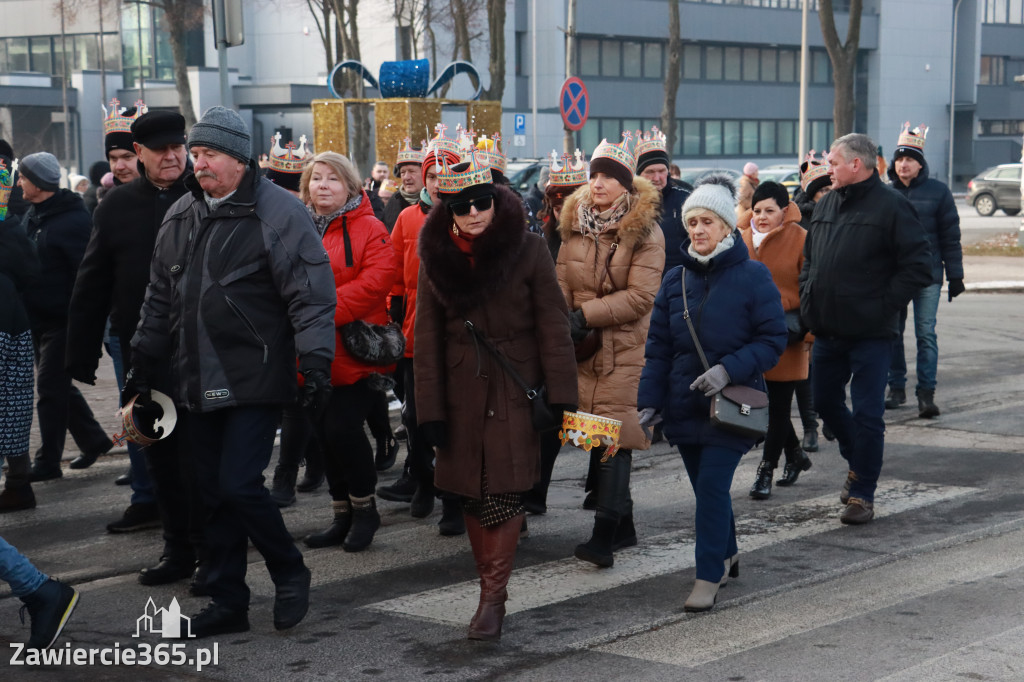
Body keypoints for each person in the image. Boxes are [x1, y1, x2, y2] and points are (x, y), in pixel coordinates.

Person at [128, 106, 337, 638]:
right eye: (195, 155)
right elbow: (158, 299)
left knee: (240, 485)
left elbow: (311, 298)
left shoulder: (279, 213)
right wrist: (141, 366)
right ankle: (228, 602)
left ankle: (289, 569)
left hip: (255, 374)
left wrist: (315, 363)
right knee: (209, 493)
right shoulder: (180, 216)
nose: (198, 165)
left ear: (240, 158)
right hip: (191, 377)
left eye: (209, 154)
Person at [415, 152, 577, 641]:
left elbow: (553, 325)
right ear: (448, 212)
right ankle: (489, 585)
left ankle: (492, 597)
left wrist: (563, 394)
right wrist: (430, 411)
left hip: (515, 388)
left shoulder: (528, 248)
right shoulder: (436, 259)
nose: (474, 214)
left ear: (497, 199)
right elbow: (426, 341)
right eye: (462, 208)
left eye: (482, 202)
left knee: (504, 493)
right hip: (460, 389)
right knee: (469, 492)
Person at [66, 111, 210, 591]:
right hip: (143, 357)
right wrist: (80, 354)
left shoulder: (208, 196)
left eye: (178, 148)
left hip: (209, 353)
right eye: (161, 150)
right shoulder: (116, 206)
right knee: (158, 453)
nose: (172, 157)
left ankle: (213, 550)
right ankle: (177, 548)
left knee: (205, 455)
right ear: (139, 154)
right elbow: (93, 282)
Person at [638, 174, 786, 612]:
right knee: (709, 492)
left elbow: (773, 340)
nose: (698, 230)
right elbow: (658, 349)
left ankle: (708, 575)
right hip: (685, 406)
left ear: (726, 227)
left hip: (733, 405)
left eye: (707, 222)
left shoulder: (754, 276)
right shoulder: (674, 280)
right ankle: (729, 552)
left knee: (712, 487)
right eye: (692, 222)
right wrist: (649, 401)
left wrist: (727, 369)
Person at [800, 133, 932, 525]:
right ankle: (859, 461)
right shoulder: (827, 203)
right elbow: (810, 259)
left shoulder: (892, 206)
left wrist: (882, 306)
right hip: (826, 329)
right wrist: (809, 297)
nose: (829, 169)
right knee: (823, 402)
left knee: (869, 413)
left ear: (856, 165)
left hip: (872, 333)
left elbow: (918, 267)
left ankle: (862, 494)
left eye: (834, 162)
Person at [557, 132, 665, 568]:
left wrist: (584, 316)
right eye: (594, 175)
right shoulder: (576, 224)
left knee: (614, 438)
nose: (597, 183)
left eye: (608, 176)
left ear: (626, 184)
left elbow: (641, 297)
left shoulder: (646, 232)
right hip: (583, 348)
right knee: (593, 434)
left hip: (625, 348)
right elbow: (560, 278)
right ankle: (625, 526)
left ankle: (603, 538)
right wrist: (561, 317)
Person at [299, 151, 396, 552]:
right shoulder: (296, 226)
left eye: (332, 179)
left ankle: (365, 507)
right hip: (308, 351)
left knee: (342, 428)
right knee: (322, 434)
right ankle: (341, 513)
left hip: (355, 352)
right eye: (316, 178)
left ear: (351, 187)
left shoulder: (370, 227)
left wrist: (321, 311)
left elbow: (377, 280)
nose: (323, 185)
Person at [378, 126, 464, 532]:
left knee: (455, 418)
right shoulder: (408, 218)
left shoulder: (468, 216)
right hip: (414, 333)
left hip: (457, 334)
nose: (438, 182)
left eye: (446, 174)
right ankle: (424, 482)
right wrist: (393, 310)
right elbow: (392, 270)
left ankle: (453, 498)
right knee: (416, 416)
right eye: (432, 175)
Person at [17, 152, 114, 482]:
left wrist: (87, 324)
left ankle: (47, 461)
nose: (18, 183)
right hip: (37, 318)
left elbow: (86, 275)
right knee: (59, 387)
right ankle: (94, 440)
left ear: (39, 183)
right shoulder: (34, 215)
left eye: (23, 178)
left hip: (64, 321)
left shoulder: (73, 221)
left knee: (48, 388)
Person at [521, 149, 588, 515]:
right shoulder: (539, 235)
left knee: (601, 424)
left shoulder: (603, 233)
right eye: (557, 198)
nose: (564, 206)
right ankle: (535, 489)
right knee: (548, 417)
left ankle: (610, 502)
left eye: (571, 198)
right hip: (551, 338)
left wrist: (583, 317)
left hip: (593, 336)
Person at [739, 181, 813, 499]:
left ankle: (766, 470)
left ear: (785, 211)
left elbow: (812, 290)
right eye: (757, 210)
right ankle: (795, 454)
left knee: (779, 407)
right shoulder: (740, 239)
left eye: (770, 210)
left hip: (788, 335)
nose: (762, 217)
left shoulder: (802, 239)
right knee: (765, 408)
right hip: (750, 337)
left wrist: (810, 332)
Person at [884, 123, 964, 418]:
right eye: (900, 159)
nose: (903, 164)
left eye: (910, 159)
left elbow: (950, 237)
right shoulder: (885, 194)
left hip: (929, 275)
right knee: (892, 333)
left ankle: (926, 394)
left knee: (925, 334)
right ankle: (896, 388)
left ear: (920, 164)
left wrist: (956, 275)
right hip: (894, 277)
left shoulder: (939, 193)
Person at [0, 160, 41, 512]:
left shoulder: (9, 224)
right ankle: (18, 484)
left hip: (9, 323)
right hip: (15, 320)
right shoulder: (13, 223)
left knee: (12, 401)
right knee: (13, 403)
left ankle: (17, 484)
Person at [636, 127, 691, 273]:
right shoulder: (628, 202)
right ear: (639, 174)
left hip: (679, 282)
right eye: (650, 172)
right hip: (642, 283)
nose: (657, 178)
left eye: (661, 171)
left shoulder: (686, 199)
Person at [382, 138, 424, 231]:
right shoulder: (394, 201)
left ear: (425, 173)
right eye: (402, 172)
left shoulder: (435, 200)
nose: (406, 177)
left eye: (412, 171)